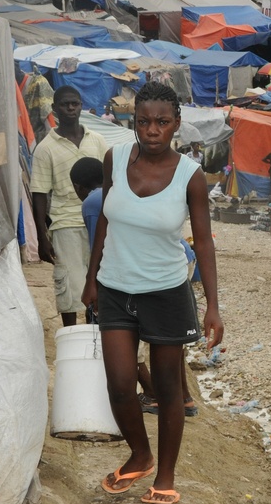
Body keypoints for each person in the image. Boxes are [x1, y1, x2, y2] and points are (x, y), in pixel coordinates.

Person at [82, 82, 222, 504]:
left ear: (176, 124)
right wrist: (91, 279)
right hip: (114, 287)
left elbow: (204, 242)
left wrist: (213, 305)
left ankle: (165, 474)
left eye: (162, 122)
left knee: (165, 389)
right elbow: (105, 221)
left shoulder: (190, 176)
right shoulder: (114, 158)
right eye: (143, 121)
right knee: (121, 384)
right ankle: (139, 455)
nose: (152, 130)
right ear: (133, 122)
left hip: (165, 292)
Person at [71, 156, 198, 419]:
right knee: (169, 340)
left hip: (156, 270)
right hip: (179, 259)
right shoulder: (115, 190)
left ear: (78, 187)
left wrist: (93, 283)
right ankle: (183, 398)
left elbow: (102, 243)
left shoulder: (92, 203)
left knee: (139, 339)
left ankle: (155, 394)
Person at [31, 86, 109, 327]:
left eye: (75, 103)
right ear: (55, 109)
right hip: (65, 224)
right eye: (65, 104)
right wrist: (42, 238)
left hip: (98, 221)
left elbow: (111, 181)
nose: (71, 108)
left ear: (81, 105)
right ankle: (71, 334)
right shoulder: (45, 148)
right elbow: (40, 193)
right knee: (70, 285)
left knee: (99, 279)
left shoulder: (97, 141)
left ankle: (96, 333)